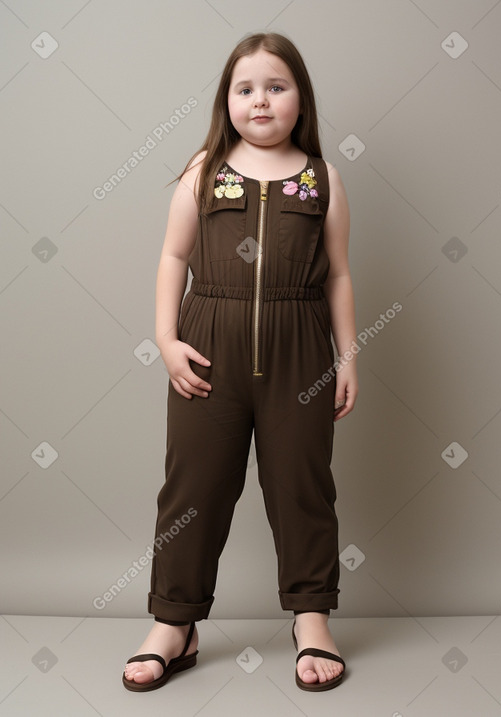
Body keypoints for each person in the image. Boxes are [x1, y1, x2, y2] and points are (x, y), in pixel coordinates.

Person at [123, 31, 358, 693]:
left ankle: (312, 617)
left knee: (302, 487)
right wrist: (167, 339)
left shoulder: (323, 179)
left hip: (300, 350)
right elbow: (173, 257)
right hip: (209, 349)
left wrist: (347, 356)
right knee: (193, 489)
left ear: (300, 99)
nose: (261, 101)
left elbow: (339, 274)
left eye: (277, 87)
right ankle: (175, 622)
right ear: (226, 100)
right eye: (245, 88)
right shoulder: (204, 170)